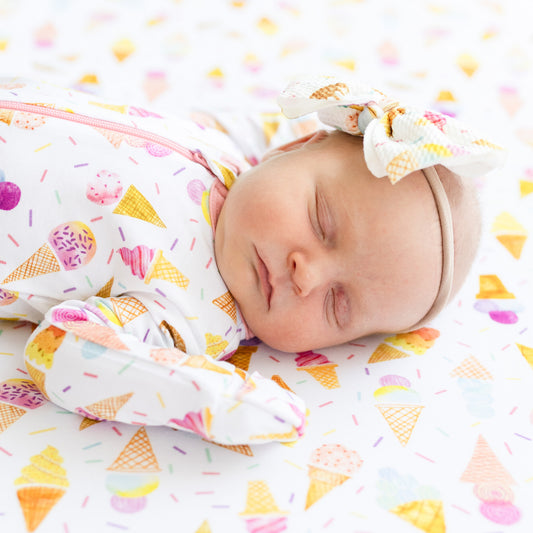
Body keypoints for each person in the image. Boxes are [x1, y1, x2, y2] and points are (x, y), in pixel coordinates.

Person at [0, 75, 504, 444]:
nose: (308, 275)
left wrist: (211, 397)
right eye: (323, 221)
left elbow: (61, 350)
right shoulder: (234, 154)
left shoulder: (194, 312)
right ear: (296, 146)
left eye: (338, 305)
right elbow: (283, 125)